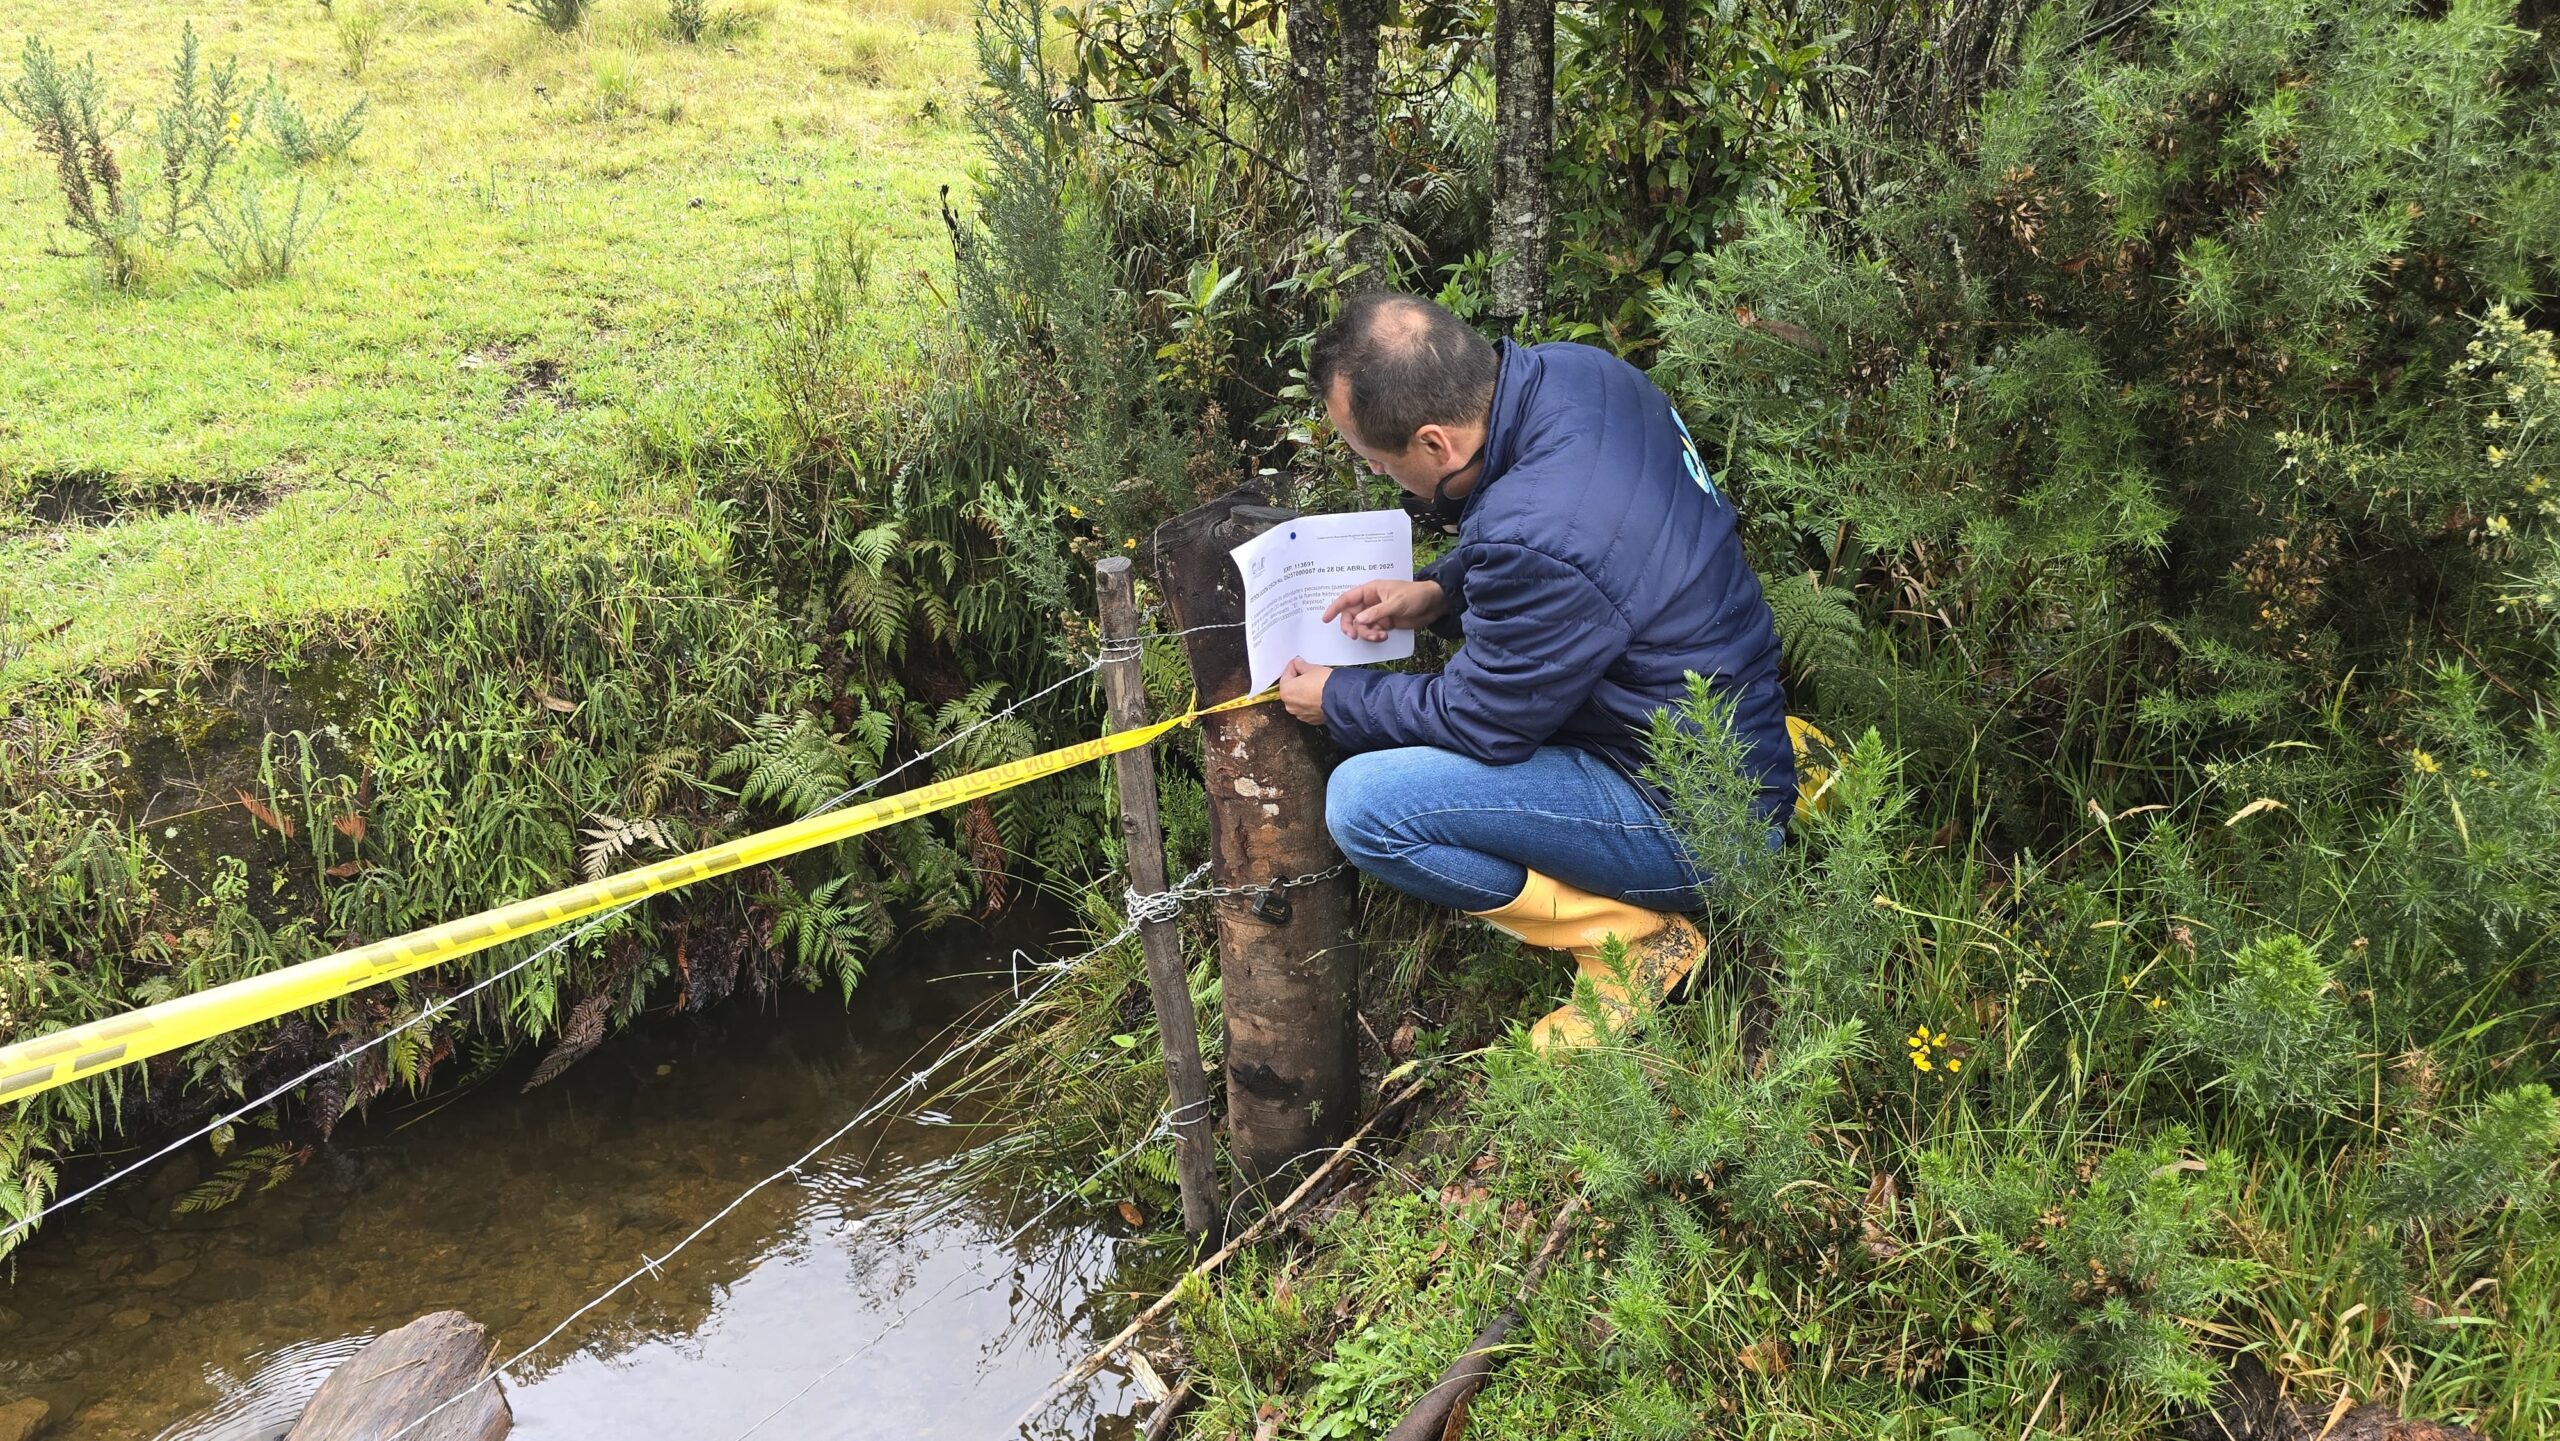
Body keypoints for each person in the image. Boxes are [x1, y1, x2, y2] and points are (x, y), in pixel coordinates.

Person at [1274, 291, 1794, 1049]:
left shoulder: (1535, 536)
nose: (1383, 476)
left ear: (1436, 443)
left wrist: (1341, 696)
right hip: (1729, 726)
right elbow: (1588, 552)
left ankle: (1632, 940)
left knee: (1366, 808)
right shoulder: (1582, 375)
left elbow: (1484, 721)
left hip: (1709, 825)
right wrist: (1439, 592)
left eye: (1379, 462)